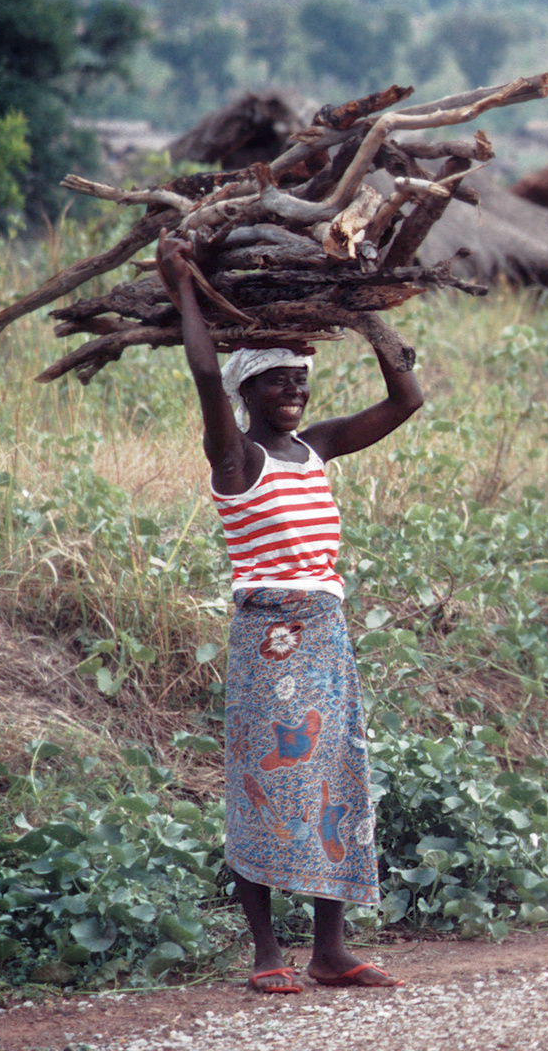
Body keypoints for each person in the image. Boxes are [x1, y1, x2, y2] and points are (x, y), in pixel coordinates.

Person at [156, 234, 423, 991]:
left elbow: (409, 400)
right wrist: (184, 289)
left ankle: (330, 950)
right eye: (273, 381)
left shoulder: (319, 446)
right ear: (246, 394)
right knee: (267, 785)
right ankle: (267, 952)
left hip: (327, 634)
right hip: (269, 638)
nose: (291, 391)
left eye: (298, 378)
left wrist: (371, 314)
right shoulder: (235, 458)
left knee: (336, 776)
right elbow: (205, 370)